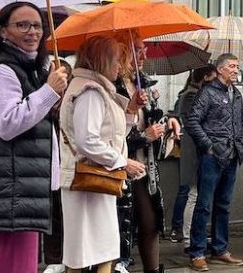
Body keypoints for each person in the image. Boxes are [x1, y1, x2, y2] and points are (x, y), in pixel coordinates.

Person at [0, 2, 69, 272]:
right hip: (8, 188)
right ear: (3, 32)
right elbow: (8, 123)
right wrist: (48, 92)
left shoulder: (30, 70)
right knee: (9, 266)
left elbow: (33, 121)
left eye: (37, 25)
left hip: (21, 186)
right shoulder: (1, 72)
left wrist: (51, 97)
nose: (32, 31)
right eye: (22, 25)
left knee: (19, 265)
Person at [59, 36, 146, 273]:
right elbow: (88, 141)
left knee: (99, 250)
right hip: (87, 180)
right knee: (85, 252)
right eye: (117, 60)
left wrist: (131, 110)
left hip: (95, 179)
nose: (120, 66)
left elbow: (111, 134)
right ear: (102, 60)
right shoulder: (89, 91)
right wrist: (122, 162)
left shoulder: (96, 89)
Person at [113, 33, 180, 273]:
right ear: (121, 52)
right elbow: (111, 134)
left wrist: (170, 121)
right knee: (122, 229)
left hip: (146, 167)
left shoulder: (145, 83)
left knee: (151, 224)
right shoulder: (112, 85)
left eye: (145, 49)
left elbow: (151, 119)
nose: (144, 55)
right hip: (121, 167)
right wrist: (144, 137)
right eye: (137, 49)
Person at [185, 53, 243, 272]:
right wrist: (208, 146)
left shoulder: (237, 94)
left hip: (232, 156)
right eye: (232, 66)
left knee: (224, 205)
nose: (236, 70)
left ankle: (220, 249)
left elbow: (240, 123)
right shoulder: (207, 92)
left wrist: (241, 145)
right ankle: (197, 252)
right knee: (204, 205)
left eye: (237, 66)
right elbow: (192, 121)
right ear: (219, 69)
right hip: (212, 157)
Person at [170, 65, 217, 247]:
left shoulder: (194, 94)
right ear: (205, 78)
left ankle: (191, 233)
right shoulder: (190, 96)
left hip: (196, 148)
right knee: (191, 192)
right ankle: (185, 234)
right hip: (193, 149)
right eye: (213, 78)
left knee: (195, 193)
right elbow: (194, 123)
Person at [43, 60, 73, 273]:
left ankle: (67, 256)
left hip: (67, 159)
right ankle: (53, 258)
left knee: (66, 212)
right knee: (53, 211)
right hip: (50, 159)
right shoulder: (46, 94)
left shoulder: (72, 97)